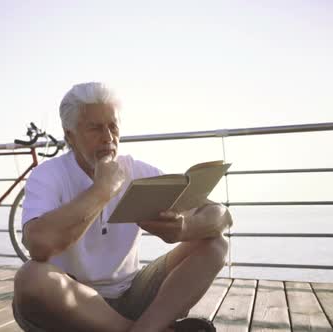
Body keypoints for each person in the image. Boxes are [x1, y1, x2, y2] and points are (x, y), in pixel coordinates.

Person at [12, 82, 233, 332]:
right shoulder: (48, 175)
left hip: (131, 293)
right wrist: (103, 190)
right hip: (71, 302)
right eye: (95, 128)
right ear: (70, 136)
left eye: (113, 126)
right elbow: (39, 245)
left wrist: (185, 228)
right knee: (30, 278)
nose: (108, 138)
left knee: (215, 244)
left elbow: (221, 215)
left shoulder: (138, 171)